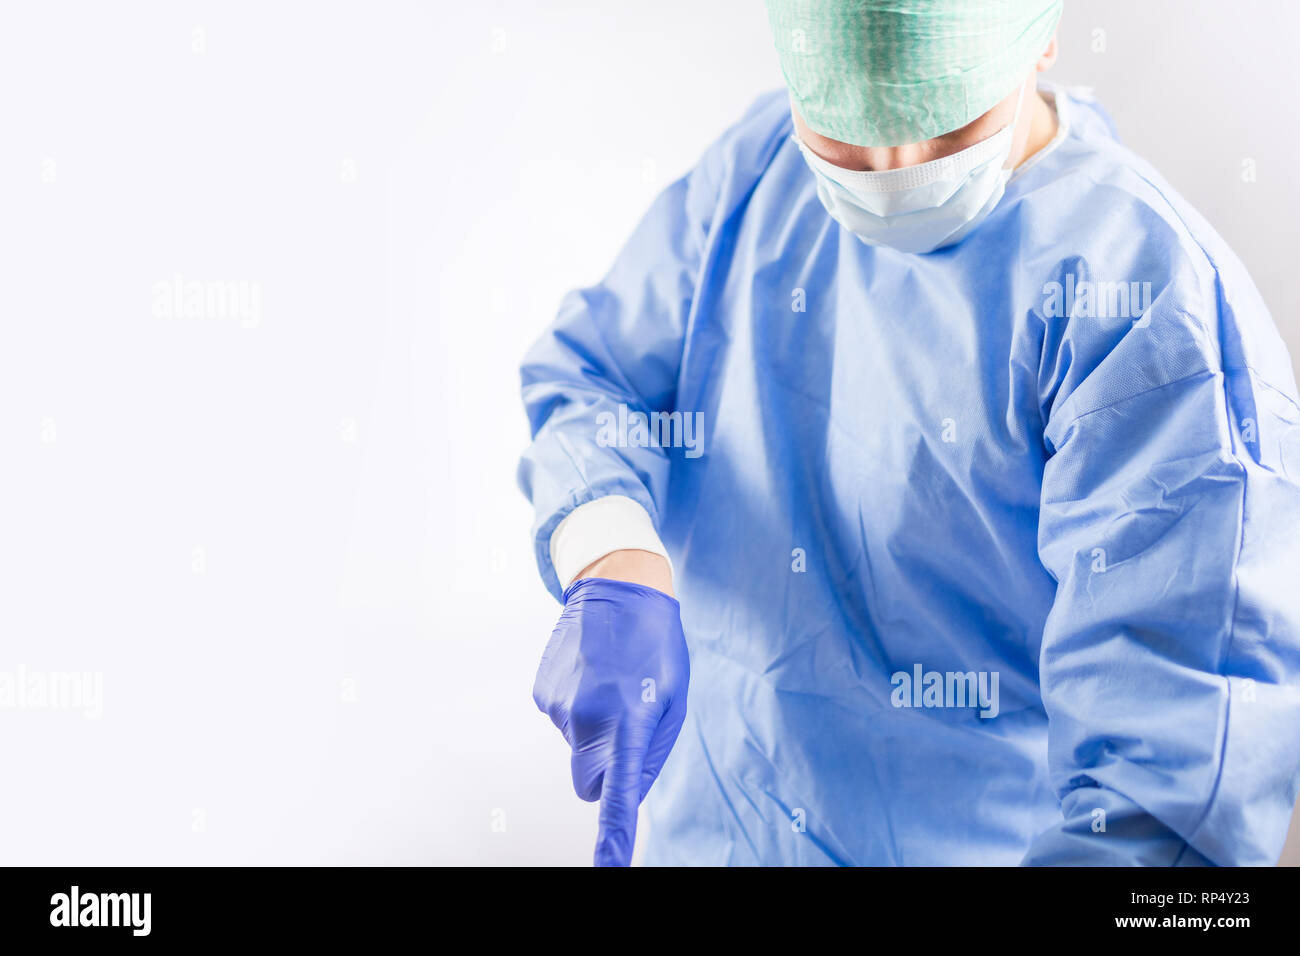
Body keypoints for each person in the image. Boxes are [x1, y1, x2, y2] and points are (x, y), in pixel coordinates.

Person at [518, 0, 1300, 866]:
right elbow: (596, 375)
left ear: (1040, 37)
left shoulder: (1150, 312)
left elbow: (1168, 814)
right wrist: (612, 557)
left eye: (944, 118)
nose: (893, 167)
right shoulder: (758, 173)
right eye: (844, 128)